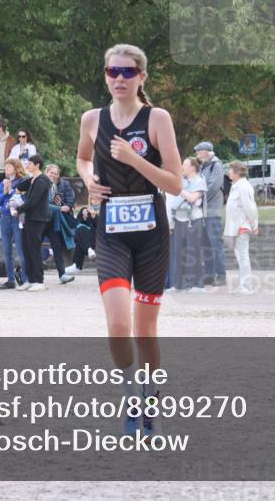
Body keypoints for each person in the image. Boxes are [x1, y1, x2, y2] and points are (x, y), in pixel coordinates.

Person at [75, 43, 182, 438]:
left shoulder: (157, 119)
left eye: (127, 72)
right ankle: (130, 398)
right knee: (118, 324)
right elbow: (83, 158)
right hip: (112, 232)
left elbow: (174, 183)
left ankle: (151, 397)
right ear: (105, 75)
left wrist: (134, 159)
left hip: (152, 233)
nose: (119, 79)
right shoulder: (91, 119)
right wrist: (89, 181)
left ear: (142, 77)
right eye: (112, 72)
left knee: (145, 331)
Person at [169, 157, 209, 293]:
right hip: (180, 220)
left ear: (192, 167)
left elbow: (192, 198)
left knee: (193, 252)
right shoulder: (184, 181)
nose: (182, 167)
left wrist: (179, 189)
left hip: (194, 221)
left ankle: (197, 285)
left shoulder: (200, 181)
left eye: (184, 165)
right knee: (179, 252)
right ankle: (179, 285)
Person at [15, 154, 51, 292]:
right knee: (27, 249)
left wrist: (18, 210)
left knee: (34, 249)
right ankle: (30, 280)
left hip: (37, 219)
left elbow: (33, 202)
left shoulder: (42, 181)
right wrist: (29, 179)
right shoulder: (33, 180)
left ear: (37, 165)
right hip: (28, 219)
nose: (27, 165)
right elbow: (19, 186)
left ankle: (39, 281)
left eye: (29, 163)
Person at [0, 159, 30, 290]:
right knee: (6, 250)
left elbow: (24, 199)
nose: (7, 168)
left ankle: (26, 279)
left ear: (16, 167)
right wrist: (4, 192)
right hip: (5, 217)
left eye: (10, 165)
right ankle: (10, 279)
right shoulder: (4, 183)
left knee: (20, 250)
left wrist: (12, 191)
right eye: (6, 166)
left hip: (17, 217)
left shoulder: (22, 181)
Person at [224, 160, 259, 295]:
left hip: (242, 227)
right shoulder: (236, 186)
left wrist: (254, 225)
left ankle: (247, 286)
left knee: (243, 257)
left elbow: (250, 208)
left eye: (231, 170)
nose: (229, 172)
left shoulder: (243, 187)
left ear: (237, 172)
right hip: (236, 227)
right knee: (240, 257)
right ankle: (243, 284)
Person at [195, 141, 227, 287]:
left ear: (206, 152)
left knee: (216, 245)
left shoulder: (216, 165)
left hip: (213, 212)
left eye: (198, 151)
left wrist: (198, 196)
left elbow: (213, 186)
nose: (196, 154)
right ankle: (209, 275)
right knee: (205, 246)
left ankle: (221, 275)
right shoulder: (203, 166)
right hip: (202, 212)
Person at [44, 164, 75, 283]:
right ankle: (35, 277)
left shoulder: (55, 186)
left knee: (57, 248)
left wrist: (62, 207)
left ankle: (62, 275)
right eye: (51, 172)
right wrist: (59, 208)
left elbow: (57, 204)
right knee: (35, 248)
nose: (53, 175)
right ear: (46, 172)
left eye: (55, 173)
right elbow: (44, 203)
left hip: (52, 222)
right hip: (40, 221)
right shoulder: (41, 184)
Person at [64, 195, 101, 279]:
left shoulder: (104, 209)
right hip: (88, 237)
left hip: (100, 237)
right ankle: (89, 250)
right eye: (93, 199)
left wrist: (94, 217)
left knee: (80, 238)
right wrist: (83, 212)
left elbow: (101, 226)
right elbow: (78, 221)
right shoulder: (87, 209)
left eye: (97, 198)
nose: (95, 200)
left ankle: (77, 265)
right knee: (80, 229)